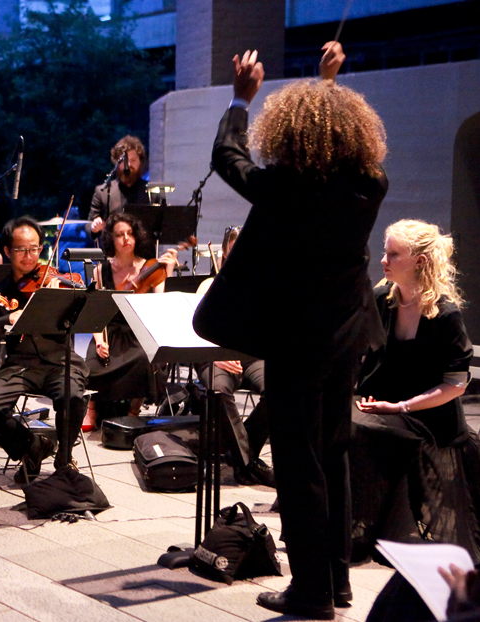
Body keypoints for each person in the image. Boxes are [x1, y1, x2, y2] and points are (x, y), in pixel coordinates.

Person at [208, 42, 389, 619]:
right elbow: (332, 152)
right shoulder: (370, 185)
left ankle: (311, 594)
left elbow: (228, 154)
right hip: (349, 337)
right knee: (332, 455)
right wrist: (328, 85)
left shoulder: (286, 189)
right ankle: (335, 581)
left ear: (296, 135)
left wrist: (241, 99)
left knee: (298, 463)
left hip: (297, 341)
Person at [351, 220, 476, 559]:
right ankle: (353, 526)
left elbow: (454, 385)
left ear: (419, 262)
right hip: (385, 402)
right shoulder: (382, 299)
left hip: (429, 415)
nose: (383, 260)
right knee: (340, 421)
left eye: (393, 254)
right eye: (385, 252)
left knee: (367, 429)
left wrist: (402, 407)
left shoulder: (445, 314)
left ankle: (380, 529)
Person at [0, 216, 88, 483]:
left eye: (34, 249)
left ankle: (65, 457)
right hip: (20, 365)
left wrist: (62, 301)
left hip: (60, 360)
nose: (29, 256)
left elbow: (85, 315)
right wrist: (5, 321)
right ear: (8, 251)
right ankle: (32, 446)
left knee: (71, 396)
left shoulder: (55, 283)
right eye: (21, 249)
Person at [192, 226, 273, 487]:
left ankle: (241, 448)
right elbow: (195, 332)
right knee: (217, 388)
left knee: (279, 387)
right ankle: (247, 463)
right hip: (213, 356)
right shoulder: (209, 285)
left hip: (250, 356)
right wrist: (216, 356)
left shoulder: (261, 286)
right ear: (225, 253)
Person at [83, 213, 177, 430]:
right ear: (111, 240)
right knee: (91, 364)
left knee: (146, 359)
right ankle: (91, 411)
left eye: (130, 234)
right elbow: (96, 312)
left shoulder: (149, 268)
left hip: (138, 331)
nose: (126, 239)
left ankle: (132, 412)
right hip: (109, 330)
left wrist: (167, 272)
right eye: (119, 235)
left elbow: (161, 305)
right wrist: (99, 341)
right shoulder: (101, 270)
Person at [85, 136, 149, 242]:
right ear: (116, 163)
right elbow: (88, 225)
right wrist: (94, 226)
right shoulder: (103, 192)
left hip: (143, 255)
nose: (129, 164)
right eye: (124, 160)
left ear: (140, 162)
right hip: (112, 254)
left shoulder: (151, 191)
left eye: (133, 160)